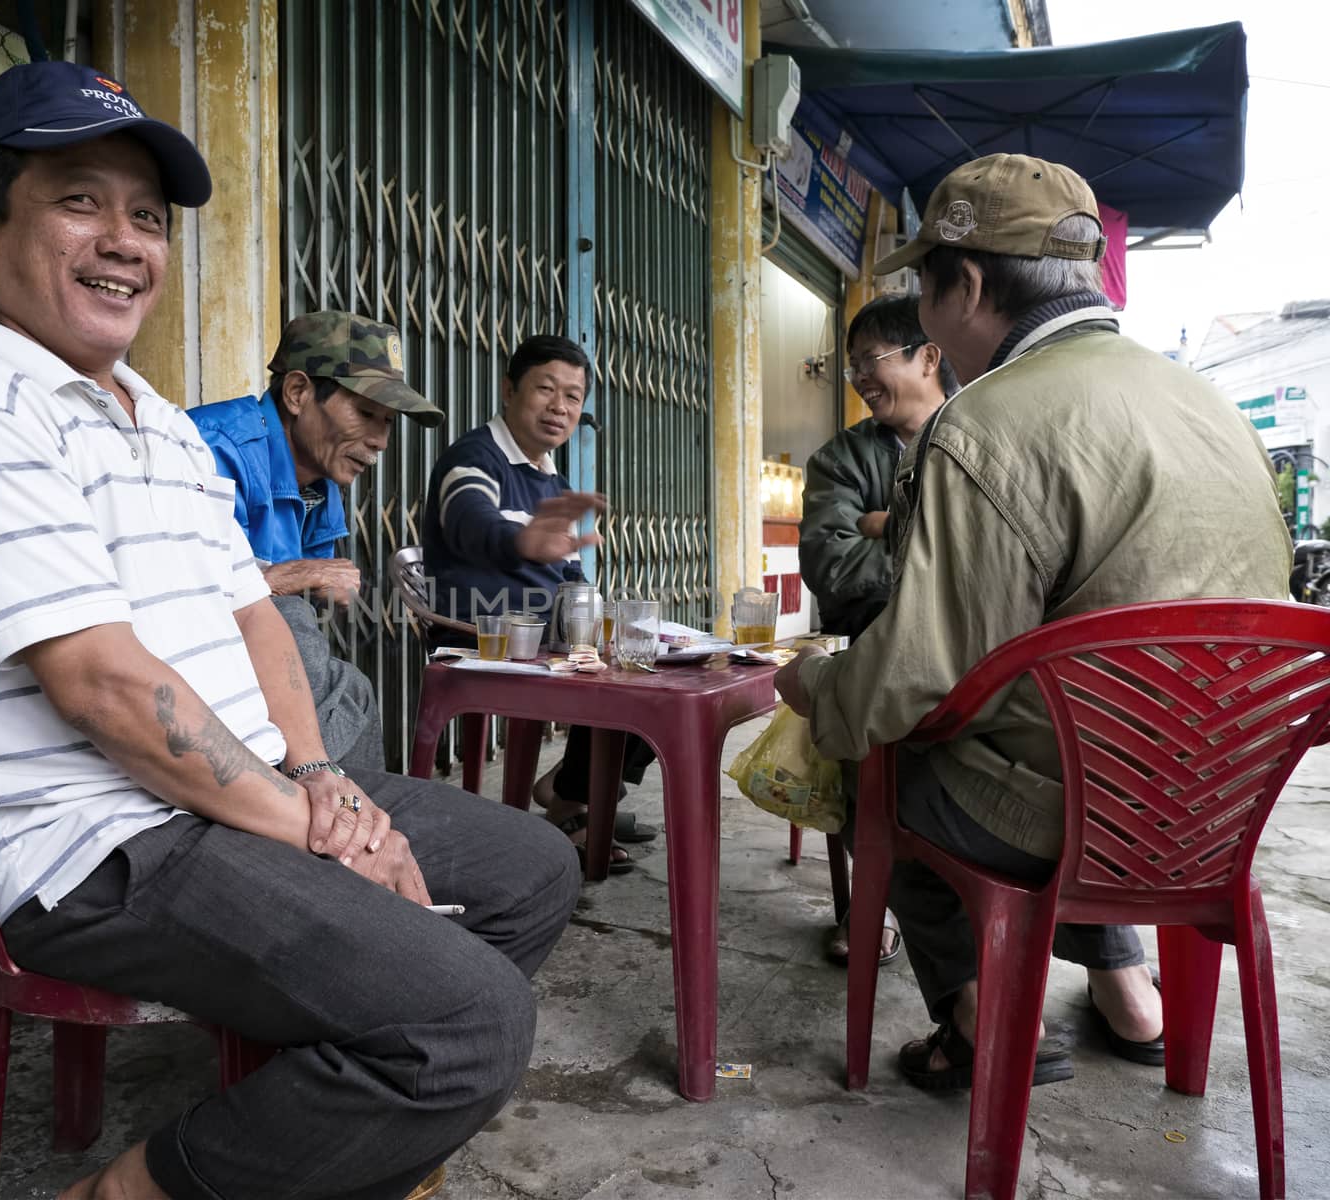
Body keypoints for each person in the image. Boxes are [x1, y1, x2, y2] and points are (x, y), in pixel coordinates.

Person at [0, 61, 579, 1200]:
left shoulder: (156, 419)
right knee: (470, 1020)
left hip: (235, 799)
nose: (124, 241)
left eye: (146, 216)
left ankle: (350, 1120)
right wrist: (315, 827)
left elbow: (254, 614)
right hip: (102, 849)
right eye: (79, 201)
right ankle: (128, 1192)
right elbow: (101, 687)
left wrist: (319, 781)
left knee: (532, 867)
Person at [775, 153, 1290, 1091]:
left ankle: (978, 1025)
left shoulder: (985, 426)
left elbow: (908, 681)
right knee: (1079, 739)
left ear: (964, 287)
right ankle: (1130, 992)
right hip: (1217, 806)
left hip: (1070, 808)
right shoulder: (1209, 404)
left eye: (924, 305)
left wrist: (810, 686)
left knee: (892, 767)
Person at [421, 334, 657, 873]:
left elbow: (565, 566)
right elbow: (467, 519)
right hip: (483, 632)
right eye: (546, 389)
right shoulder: (475, 458)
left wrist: (590, 600)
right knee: (625, 677)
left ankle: (572, 790)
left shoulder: (550, 474)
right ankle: (576, 800)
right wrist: (518, 542)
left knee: (649, 655)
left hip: (544, 631)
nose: (560, 407)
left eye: (573, 397)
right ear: (509, 390)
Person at [189, 313, 445, 769]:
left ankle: (344, 812)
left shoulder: (319, 485)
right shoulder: (210, 450)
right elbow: (172, 596)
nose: (381, 441)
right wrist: (284, 579)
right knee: (322, 661)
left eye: (388, 422)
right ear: (298, 392)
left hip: (248, 680)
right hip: (186, 680)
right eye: (366, 413)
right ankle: (344, 810)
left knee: (347, 686)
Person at [799, 294, 956, 969]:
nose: (861, 378)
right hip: (872, 646)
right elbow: (828, 565)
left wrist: (886, 525)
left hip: (969, 651)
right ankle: (878, 903)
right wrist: (924, 544)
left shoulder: (976, 435)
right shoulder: (842, 460)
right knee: (873, 747)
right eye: (853, 365)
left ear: (929, 358)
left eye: (873, 361)